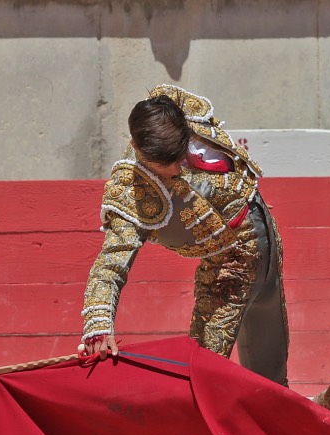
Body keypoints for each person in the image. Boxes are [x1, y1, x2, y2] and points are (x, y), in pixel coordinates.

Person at [80, 84, 289, 386]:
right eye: (168, 165)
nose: (179, 169)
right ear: (139, 150)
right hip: (227, 267)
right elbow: (109, 266)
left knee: (270, 356)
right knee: (204, 369)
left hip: (264, 230)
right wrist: (99, 326)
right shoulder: (131, 192)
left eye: (180, 157)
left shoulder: (170, 113)